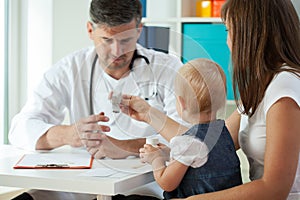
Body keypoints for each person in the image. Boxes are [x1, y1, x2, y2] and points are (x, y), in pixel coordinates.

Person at [121, 0, 300, 199]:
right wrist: (148, 113)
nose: (227, 41)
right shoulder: (263, 85)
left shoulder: (284, 92)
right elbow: (209, 139)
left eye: (228, 30)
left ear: (250, 34)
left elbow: (275, 189)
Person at [9, 0, 184, 199]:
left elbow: (186, 138)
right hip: (80, 183)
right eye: (107, 40)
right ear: (90, 30)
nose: (117, 51)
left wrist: (125, 146)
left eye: (125, 39)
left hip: (141, 185)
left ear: (139, 30)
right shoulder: (70, 68)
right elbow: (19, 128)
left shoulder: (168, 69)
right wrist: (68, 134)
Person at [135, 58, 242, 199]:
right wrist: (168, 152)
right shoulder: (223, 133)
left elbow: (167, 183)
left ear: (181, 103)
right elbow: (199, 159)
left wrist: (156, 160)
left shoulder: (187, 143)